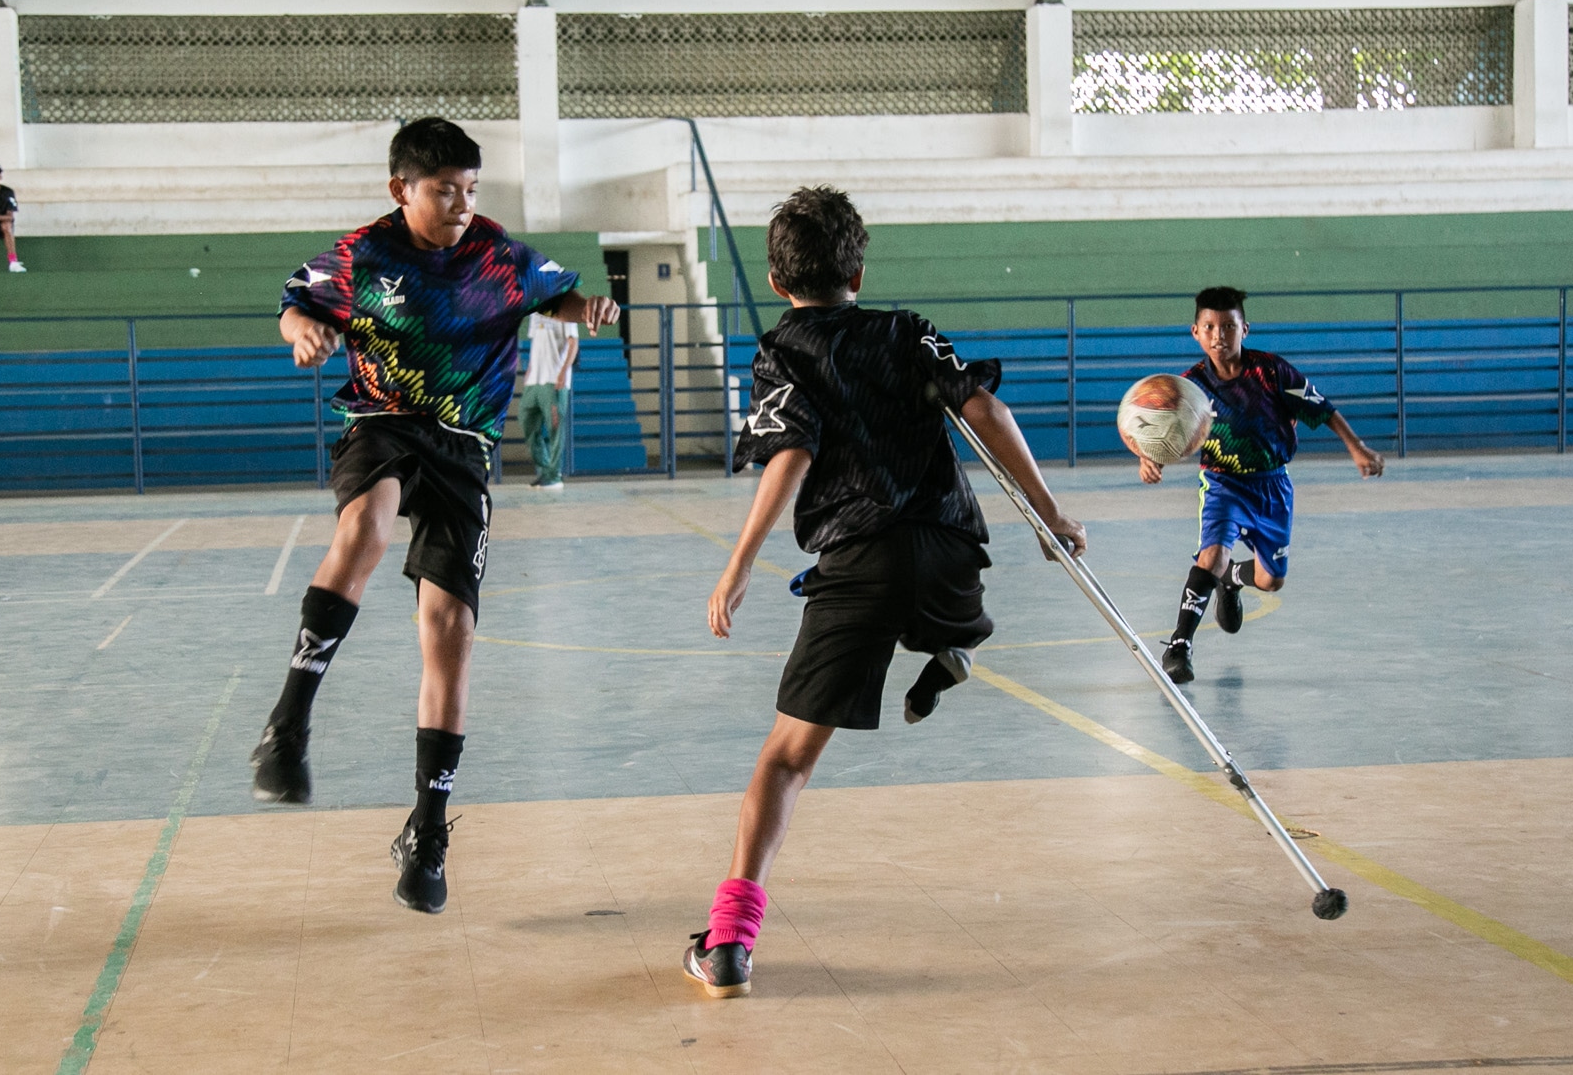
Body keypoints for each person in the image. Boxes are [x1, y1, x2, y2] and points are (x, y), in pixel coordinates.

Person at [681, 186, 1087, 1000]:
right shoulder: (908, 332)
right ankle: (948, 646)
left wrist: (737, 565)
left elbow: (790, 456)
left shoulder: (782, 349)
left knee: (786, 761)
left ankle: (729, 941)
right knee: (956, 617)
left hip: (859, 564)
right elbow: (985, 407)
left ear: (774, 277)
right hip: (950, 556)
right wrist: (1051, 515)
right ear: (860, 266)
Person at [252, 116, 620, 914]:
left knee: (449, 629)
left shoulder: (501, 254)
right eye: (443, 189)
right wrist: (304, 331)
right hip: (383, 424)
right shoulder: (361, 256)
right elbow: (291, 302)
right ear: (402, 190)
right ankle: (289, 724)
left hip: (464, 449)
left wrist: (587, 309)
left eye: (470, 189)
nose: (459, 203)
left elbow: (559, 296)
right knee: (366, 531)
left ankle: (427, 829)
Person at [1140, 286, 1385, 685]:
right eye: (1210, 327)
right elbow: (1160, 431)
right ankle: (1179, 645)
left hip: (1272, 486)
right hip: (1222, 484)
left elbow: (1321, 409)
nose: (1219, 335)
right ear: (1196, 332)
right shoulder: (1188, 388)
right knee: (1211, 556)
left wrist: (1356, 448)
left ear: (1245, 329)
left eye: (1228, 327)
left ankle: (1232, 579)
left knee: (1272, 581)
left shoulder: (1272, 371)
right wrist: (1149, 458)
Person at [518, 310, 578, 489]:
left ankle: (554, 475)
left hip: (554, 379)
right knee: (525, 421)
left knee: (554, 429)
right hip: (534, 380)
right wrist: (529, 370)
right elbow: (537, 343)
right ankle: (545, 470)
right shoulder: (535, 314)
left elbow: (573, 342)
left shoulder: (565, 311)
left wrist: (563, 372)